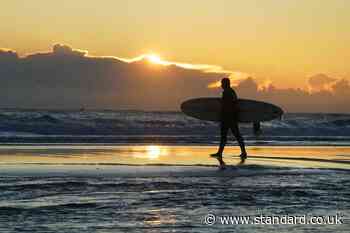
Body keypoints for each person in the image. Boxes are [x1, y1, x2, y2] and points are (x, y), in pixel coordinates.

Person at [211, 78, 247, 167]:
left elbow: (228, 105)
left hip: (229, 118)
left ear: (226, 84)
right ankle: (221, 152)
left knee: (233, 135)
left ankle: (243, 152)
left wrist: (223, 115)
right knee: (228, 135)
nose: (221, 85)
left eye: (222, 83)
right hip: (229, 117)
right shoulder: (231, 92)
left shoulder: (228, 92)